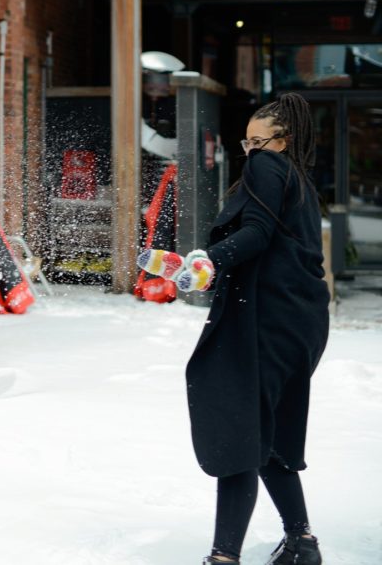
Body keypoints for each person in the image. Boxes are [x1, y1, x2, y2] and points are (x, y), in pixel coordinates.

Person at [138, 92, 329, 565]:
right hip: (299, 323)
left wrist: (210, 258)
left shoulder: (268, 167)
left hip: (266, 321)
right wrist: (204, 267)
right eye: (246, 143)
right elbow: (276, 248)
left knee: (239, 431)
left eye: (256, 141)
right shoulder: (300, 182)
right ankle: (301, 542)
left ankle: (223, 558)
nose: (250, 150)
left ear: (281, 141)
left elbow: (257, 235)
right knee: (268, 434)